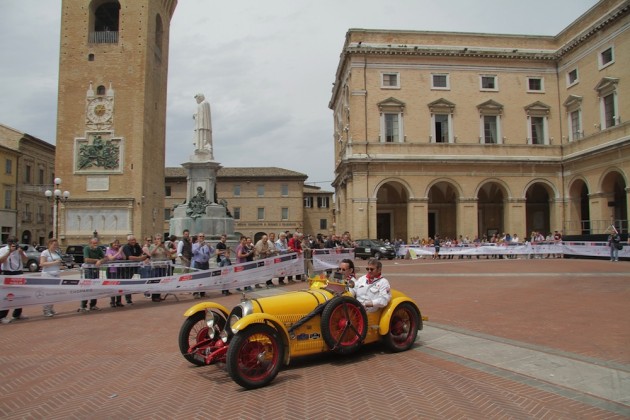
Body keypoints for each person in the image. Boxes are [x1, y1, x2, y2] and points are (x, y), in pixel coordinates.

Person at [0, 236, 28, 323]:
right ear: (9, 243)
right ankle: (2, 316)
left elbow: (25, 260)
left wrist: (21, 253)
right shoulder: (3, 250)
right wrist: (9, 252)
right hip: (8, 273)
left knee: (20, 294)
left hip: (19, 273)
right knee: (7, 295)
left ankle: (17, 314)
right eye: (13, 243)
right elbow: (1, 260)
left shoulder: (19, 249)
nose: (15, 245)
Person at [79, 237, 105, 312]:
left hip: (96, 270)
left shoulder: (99, 249)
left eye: (96, 243)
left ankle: (93, 305)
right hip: (88, 270)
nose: (95, 244)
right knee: (87, 287)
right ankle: (83, 306)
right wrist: (97, 260)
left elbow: (105, 258)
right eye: (94, 243)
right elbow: (86, 259)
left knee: (95, 287)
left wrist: (100, 261)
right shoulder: (86, 249)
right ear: (90, 243)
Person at [121, 234, 148, 304]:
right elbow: (130, 257)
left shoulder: (137, 246)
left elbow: (142, 253)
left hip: (137, 266)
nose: (133, 241)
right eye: (132, 240)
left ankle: (147, 291)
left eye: (134, 240)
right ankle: (128, 299)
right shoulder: (126, 247)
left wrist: (144, 257)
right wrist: (140, 258)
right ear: (128, 241)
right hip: (128, 268)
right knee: (127, 283)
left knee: (146, 275)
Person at [39, 238, 62, 317]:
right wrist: (54, 262)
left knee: (54, 293)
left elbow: (58, 263)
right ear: (49, 244)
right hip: (47, 274)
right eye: (54, 245)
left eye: (56, 245)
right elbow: (42, 263)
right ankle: (46, 309)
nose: (55, 246)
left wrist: (60, 265)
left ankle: (51, 308)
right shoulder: (45, 252)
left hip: (56, 274)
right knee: (48, 293)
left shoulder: (57, 252)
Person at [148, 234, 175, 302]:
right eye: (157, 239)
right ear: (155, 240)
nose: (159, 240)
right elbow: (151, 253)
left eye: (160, 239)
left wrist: (164, 248)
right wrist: (157, 246)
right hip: (156, 266)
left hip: (163, 266)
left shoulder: (164, 246)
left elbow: (169, 254)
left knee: (161, 281)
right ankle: (154, 296)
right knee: (155, 282)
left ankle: (158, 295)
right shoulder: (152, 246)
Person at [191, 232, 214, 298]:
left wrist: (210, 247)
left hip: (205, 263)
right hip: (198, 263)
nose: (202, 238)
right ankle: (195, 293)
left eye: (203, 236)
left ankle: (202, 293)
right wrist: (199, 246)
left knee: (205, 278)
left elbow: (212, 251)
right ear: (198, 238)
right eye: (200, 236)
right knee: (197, 278)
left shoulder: (206, 245)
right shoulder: (195, 245)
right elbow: (193, 252)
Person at [106, 239, 126, 308]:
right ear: (111, 244)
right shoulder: (109, 250)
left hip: (120, 269)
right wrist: (118, 253)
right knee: (113, 286)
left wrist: (121, 251)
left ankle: (119, 301)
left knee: (119, 286)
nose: (116, 245)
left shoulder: (119, 250)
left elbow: (124, 258)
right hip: (112, 270)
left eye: (117, 243)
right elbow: (111, 258)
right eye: (115, 243)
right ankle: (112, 301)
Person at [193, 93, 213, 157]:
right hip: (201, 124)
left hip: (202, 124)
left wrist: (196, 115)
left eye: (197, 99)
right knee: (202, 135)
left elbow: (201, 115)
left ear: (199, 98)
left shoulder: (203, 104)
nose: (196, 101)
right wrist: (196, 115)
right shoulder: (204, 104)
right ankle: (200, 147)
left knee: (203, 135)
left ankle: (203, 148)